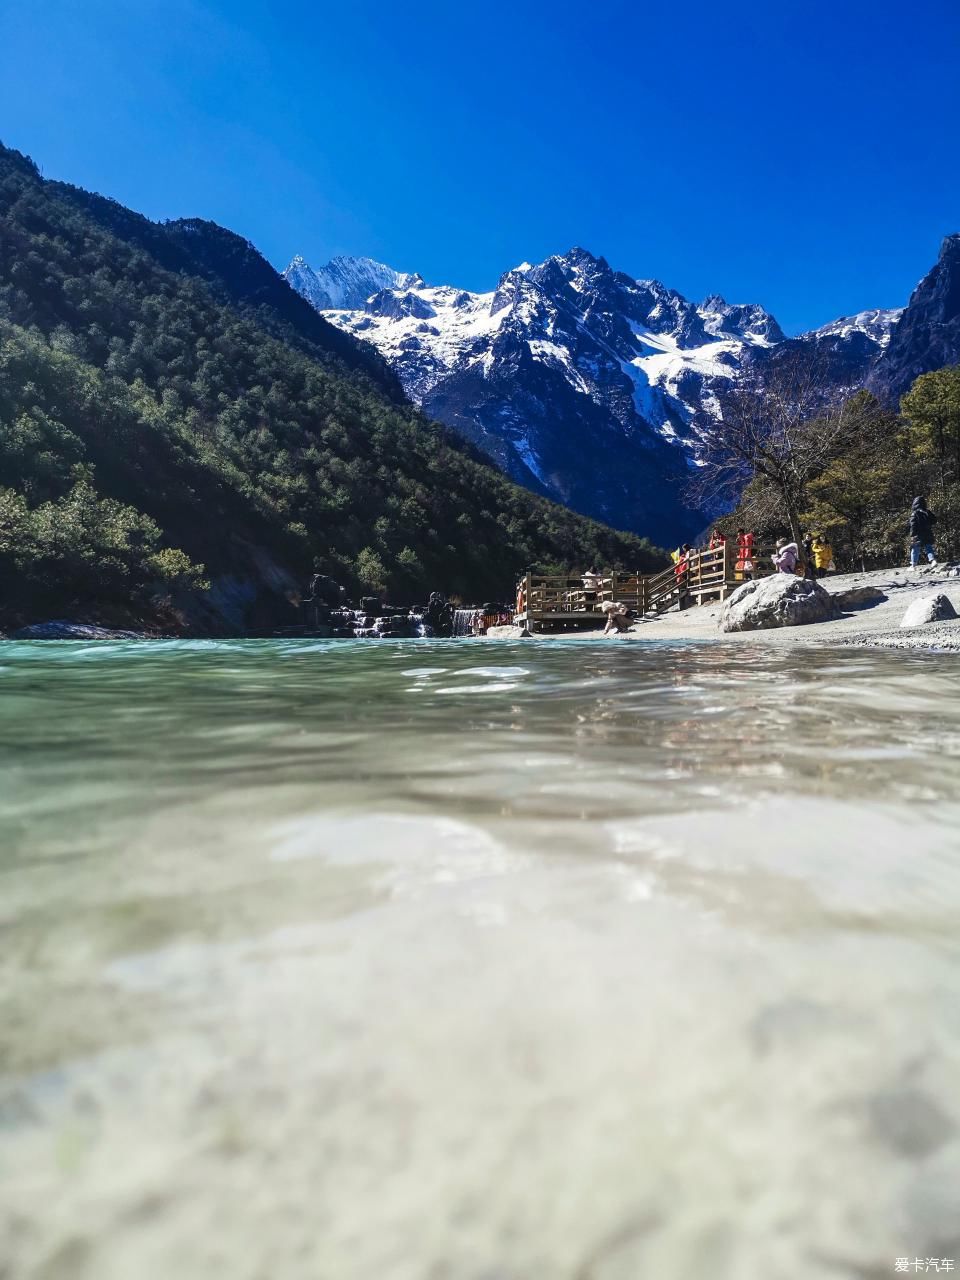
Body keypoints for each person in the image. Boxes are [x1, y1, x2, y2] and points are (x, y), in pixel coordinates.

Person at [909, 496, 937, 567]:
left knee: (915, 549)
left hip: (918, 535)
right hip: (928, 533)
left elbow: (913, 525)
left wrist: (912, 535)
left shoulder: (914, 513)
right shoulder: (927, 512)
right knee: (929, 547)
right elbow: (934, 520)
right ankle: (933, 561)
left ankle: (913, 565)